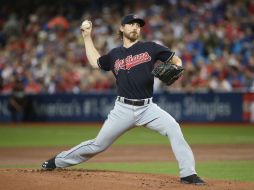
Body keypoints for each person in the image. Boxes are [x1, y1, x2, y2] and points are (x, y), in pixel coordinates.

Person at [42, 14, 205, 185]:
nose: (135, 27)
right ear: (121, 28)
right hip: (123, 109)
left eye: (138, 25)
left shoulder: (151, 48)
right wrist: (87, 37)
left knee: (173, 127)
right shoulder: (114, 55)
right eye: (131, 24)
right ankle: (57, 161)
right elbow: (95, 62)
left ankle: (188, 174)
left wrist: (177, 66)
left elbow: (176, 59)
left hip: (148, 108)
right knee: (98, 145)